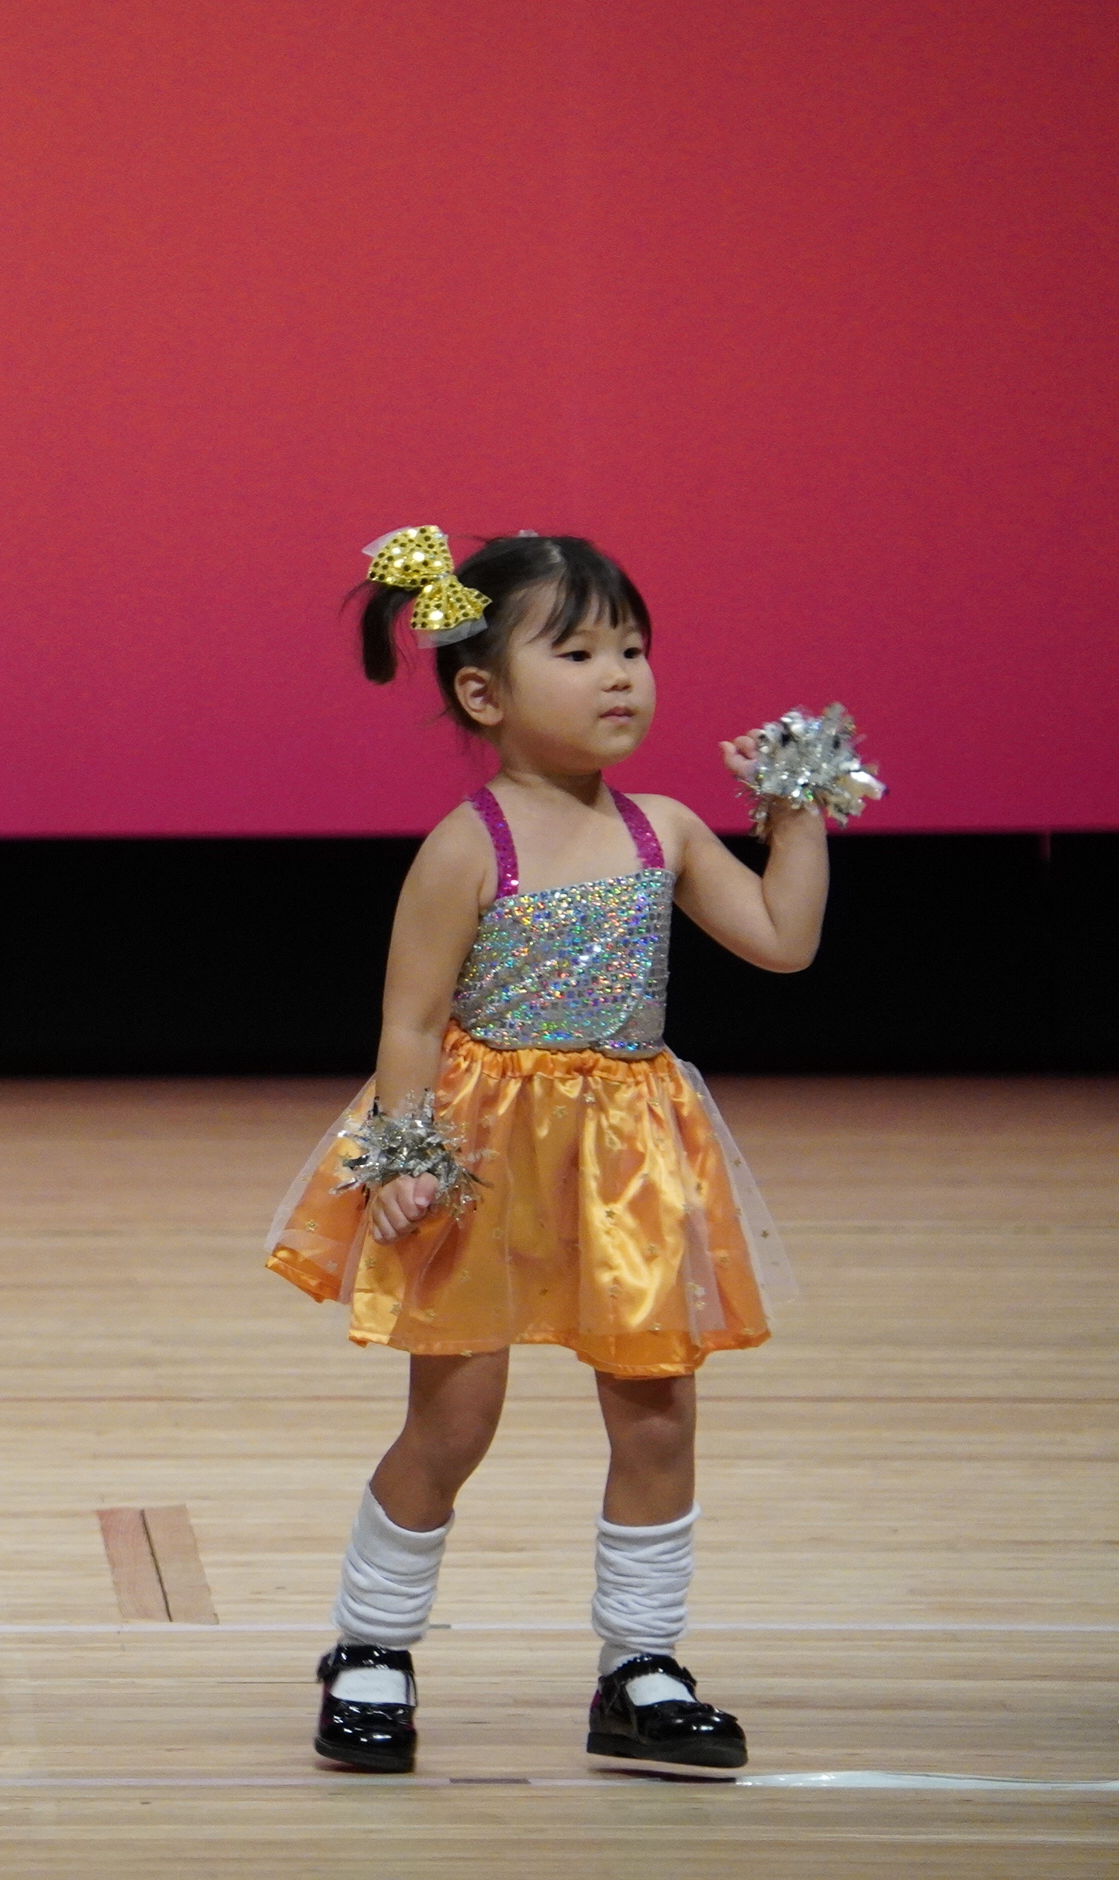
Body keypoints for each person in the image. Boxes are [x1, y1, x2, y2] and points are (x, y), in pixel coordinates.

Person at [266, 529, 838, 1774]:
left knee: (655, 1412)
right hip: (478, 1158)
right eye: (575, 651)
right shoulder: (468, 845)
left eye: (630, 647)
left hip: (629, 1160)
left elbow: (782, 939)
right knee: (454, 1416)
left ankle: (639, 1664)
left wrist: (792, 811)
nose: (618, 673)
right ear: (482, 692)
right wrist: (403, 1151)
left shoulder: (664, 830)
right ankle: (370, 1644)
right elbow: (410, 1020)